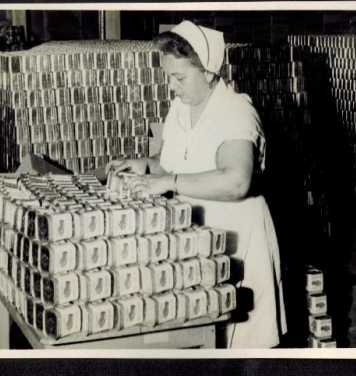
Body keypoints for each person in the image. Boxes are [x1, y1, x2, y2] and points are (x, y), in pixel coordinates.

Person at [104, 20, 287, 348]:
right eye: (168, 77)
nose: (171, 86)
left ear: (208, 72)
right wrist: (145, 165)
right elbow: (172, 162)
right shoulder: (180, 107)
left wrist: (168, 182)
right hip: (198, 241)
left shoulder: (236, 110)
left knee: (241, 346)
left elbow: (236, 181)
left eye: (179, 77)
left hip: (238, 241)